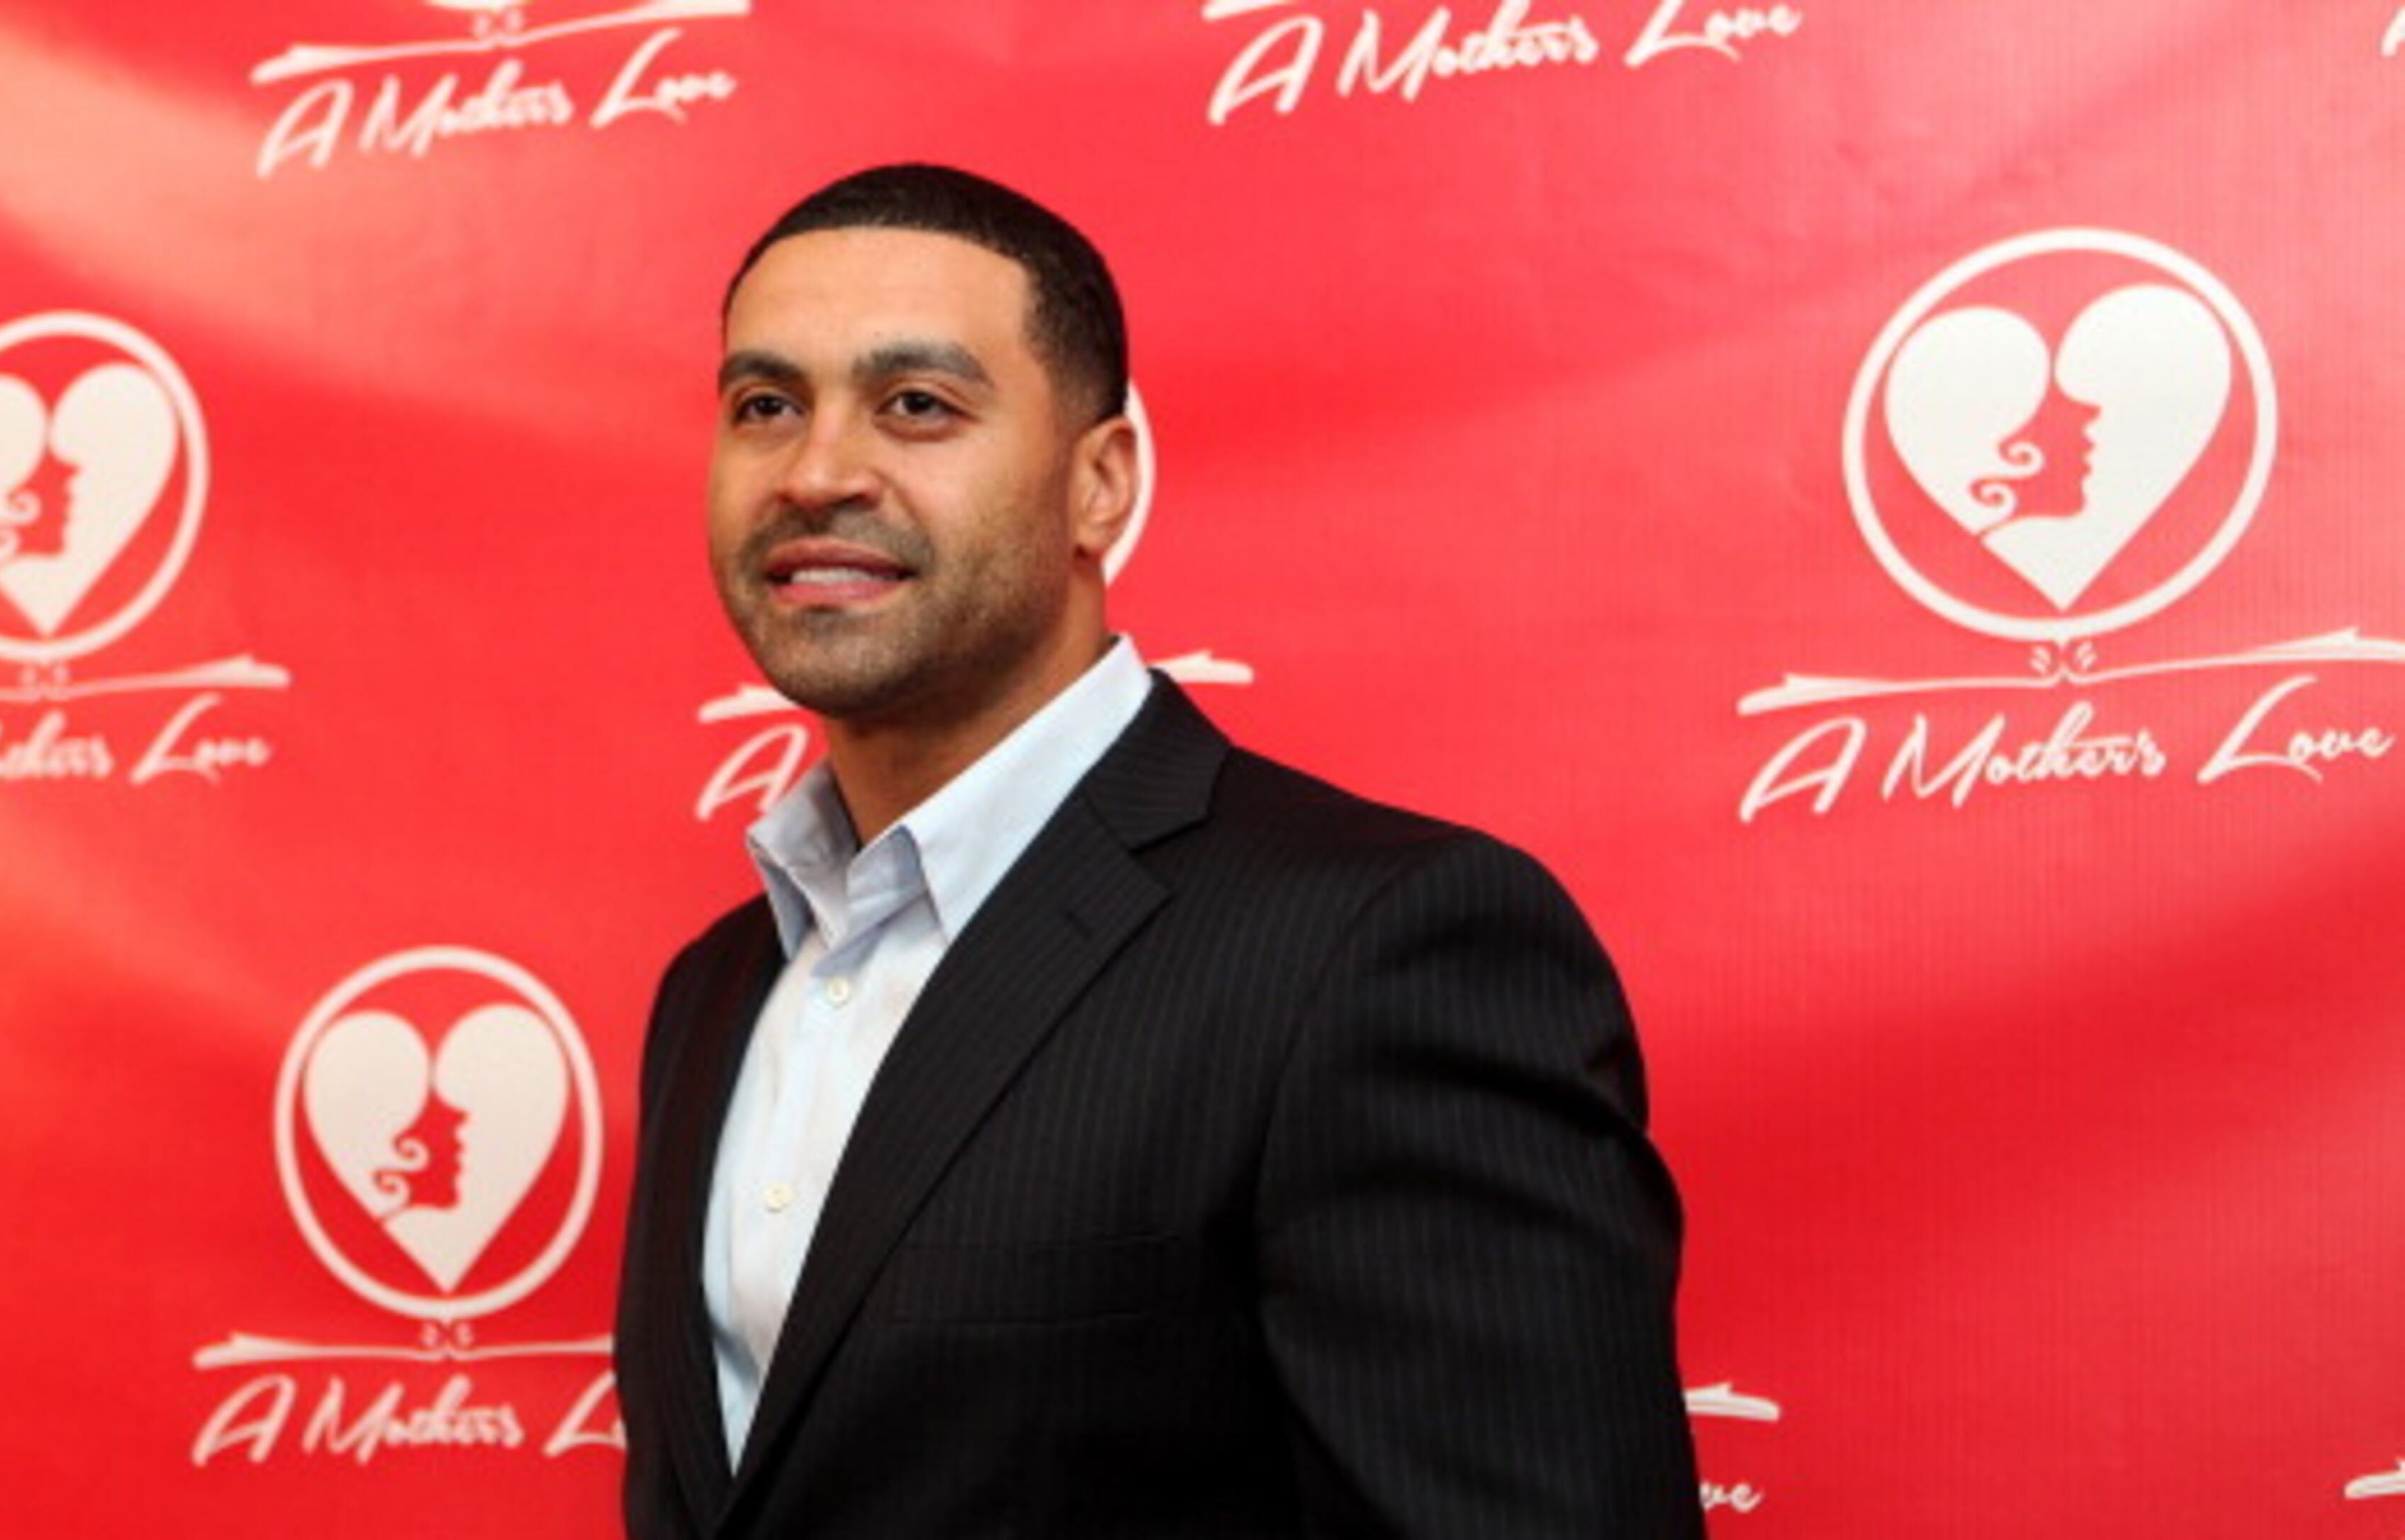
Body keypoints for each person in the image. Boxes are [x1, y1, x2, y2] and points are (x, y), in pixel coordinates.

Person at [615, 163, 1703, 1538]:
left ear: (1101, 483)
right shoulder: (715, 991)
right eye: (765, 406)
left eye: (918, 407)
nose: (818, 472)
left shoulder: (1377, 949)